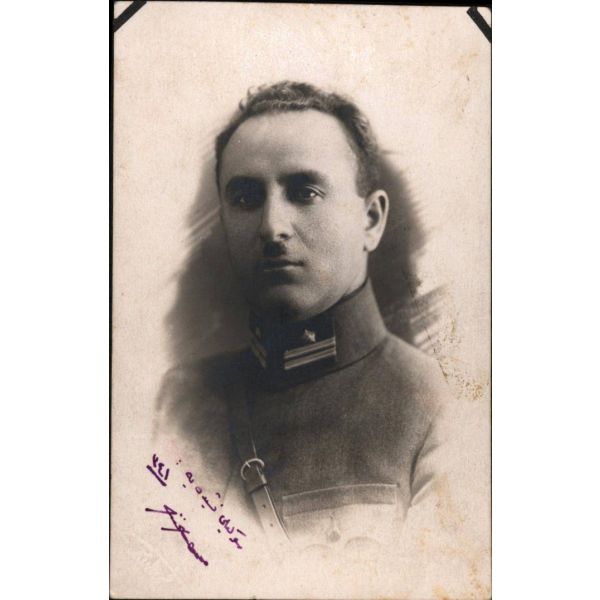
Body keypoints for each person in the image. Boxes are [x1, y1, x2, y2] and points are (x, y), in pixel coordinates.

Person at [155, 81, 454, 560]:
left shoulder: (440, 409)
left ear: (371, 220)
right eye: (246, 198)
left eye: (305, 192)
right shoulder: (177, 403)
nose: (272, 227)